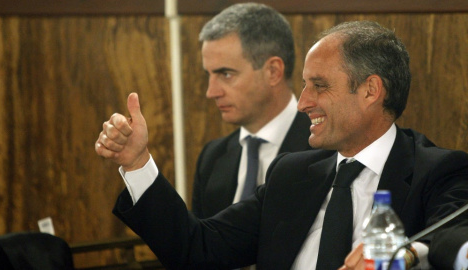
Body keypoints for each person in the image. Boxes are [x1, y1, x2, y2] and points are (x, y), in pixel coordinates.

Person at [95, 20, 468, 270]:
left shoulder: (437, 172)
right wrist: (138, 162)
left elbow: (453, 238)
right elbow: (197, 249)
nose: (303, 101)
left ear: (370, 90)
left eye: (319, 85)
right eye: (303, 84)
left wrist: (400, 253)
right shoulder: (292, 175)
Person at [191, 3, 313, 219]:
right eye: (208, 75)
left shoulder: (326, 150)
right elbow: (198, 248)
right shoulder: (212, 158)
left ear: (273, 71)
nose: (211, 92)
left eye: (226, 74)